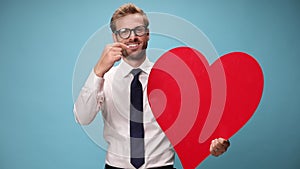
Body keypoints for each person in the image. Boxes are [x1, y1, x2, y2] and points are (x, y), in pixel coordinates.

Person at [74, 3, 230, 169]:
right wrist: (98, 71)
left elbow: (196, 123)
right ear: (115, 38)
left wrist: (214, 143)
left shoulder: (172, 79)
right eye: (124, 32)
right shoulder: (104, 79)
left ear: (147, 34)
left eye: (138, 30)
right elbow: (82, 118)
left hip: (163, 166)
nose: (132, 37)